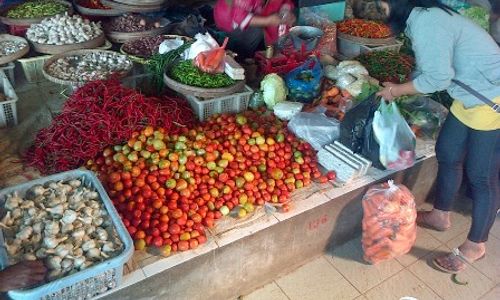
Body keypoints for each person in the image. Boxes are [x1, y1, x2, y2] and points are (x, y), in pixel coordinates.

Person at [375, 0, 500, 273]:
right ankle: (441, 215)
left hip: (492, 99)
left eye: (380, 4)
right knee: (448, 153)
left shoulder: (428, 22)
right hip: (469, 96)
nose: (378, 8)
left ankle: (476, 244)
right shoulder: (422, 18)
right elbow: (431, 66)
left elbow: (439, 79)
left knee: (482, 176)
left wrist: (397, 91)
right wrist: (403, 82)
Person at [213, 0, 296, 58]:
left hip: (257, 13)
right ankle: (242, 58)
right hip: (230, 22)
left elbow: (285, 2)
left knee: (276, 30)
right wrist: (268, 21)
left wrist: (285, 10)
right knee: (256, 33)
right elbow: (239, 17)